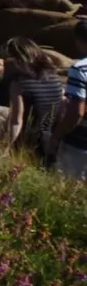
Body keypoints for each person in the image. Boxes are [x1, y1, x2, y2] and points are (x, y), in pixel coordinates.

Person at [1, 36, 65, 160]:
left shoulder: (19, 83)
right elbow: (61, 106)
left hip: (27, 142)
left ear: (18, 59)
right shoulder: (53, 77)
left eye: (7, 58)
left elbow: (16, 121)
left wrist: (4, 148)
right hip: (50, 139)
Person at [49, 21, 87, 180]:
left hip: (80, 144)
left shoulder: (80, 69)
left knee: (70, 192)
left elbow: (76, 112)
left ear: (79, 41)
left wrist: (56, 136)